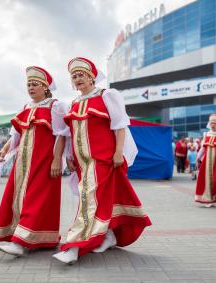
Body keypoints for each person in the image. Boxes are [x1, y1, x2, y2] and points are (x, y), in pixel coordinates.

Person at [53, 57, 151, 264]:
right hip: (82, 163)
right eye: (74, 76)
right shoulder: (73, 103)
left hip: (103, 160)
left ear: (91, 77)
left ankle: (74, 247)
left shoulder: (107, 96)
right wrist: (68, 156)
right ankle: (109, 235)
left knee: (89, 201)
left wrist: (118, 153)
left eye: (81, 75)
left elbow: (120, 126)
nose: (77, 78)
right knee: (95, 201)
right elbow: (70, 134)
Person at [0, 66, 69, 256]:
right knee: (19, 198)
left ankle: (19, 244)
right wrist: (4, 149)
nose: (30, 88)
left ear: (45, 87)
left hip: (44, 162)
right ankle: (39, 239)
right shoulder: (26, 107)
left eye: (35, 84)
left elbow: (61, 135)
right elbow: (17, 135)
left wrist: (57, 160)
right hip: (23, 163)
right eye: (28, 84)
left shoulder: (56, 106)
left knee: (37, 200)